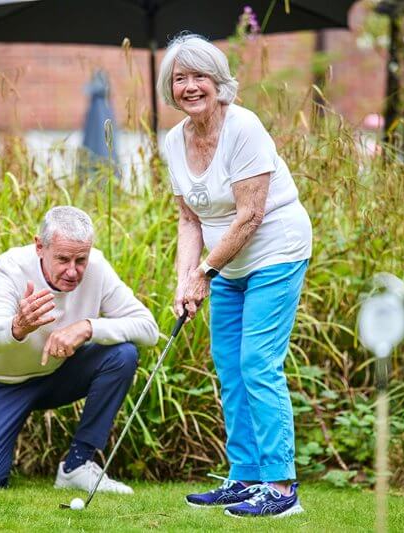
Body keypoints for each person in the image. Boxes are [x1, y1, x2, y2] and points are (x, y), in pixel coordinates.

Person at [157, 34, 312, 518]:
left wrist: (205, 271)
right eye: (179, 78)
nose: (190, 86)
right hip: (226, 262)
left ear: (218, 81)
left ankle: (281, 488)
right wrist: (186, 279)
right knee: (229, 365)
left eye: (199, 76)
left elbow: (251, 215)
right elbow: (188, 219)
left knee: (258, 362)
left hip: (275, 251)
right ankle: (245, 478)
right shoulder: (173, 141)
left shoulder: (244, 128)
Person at [0, 206, 159, 493]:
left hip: (55, 375)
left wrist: (88, 327)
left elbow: (149, 329)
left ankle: (77, 466)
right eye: (63, 259)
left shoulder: (97, 268)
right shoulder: (9, 268)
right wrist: (19, 325)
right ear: (40, 246)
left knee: (123, 355)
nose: (73, 271)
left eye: (81, 259)